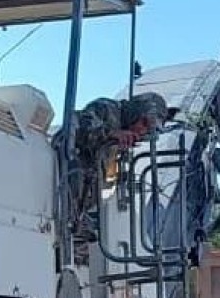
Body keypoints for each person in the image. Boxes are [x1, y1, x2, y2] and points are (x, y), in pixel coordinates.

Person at [64, 92, 170, 245]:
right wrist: (111, 134)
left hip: (83, 200)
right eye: (144, 123)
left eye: (148, 130)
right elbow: (80, 129)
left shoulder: (124, 140)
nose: (142, 131)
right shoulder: (107, 109)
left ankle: (78, 218)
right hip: (65, 178)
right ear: (136, 112)